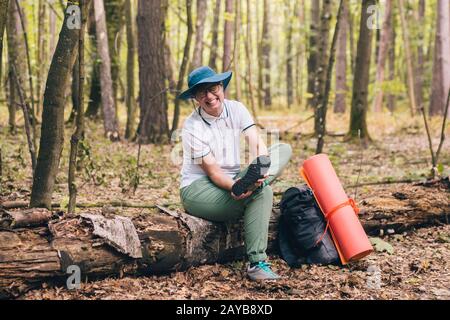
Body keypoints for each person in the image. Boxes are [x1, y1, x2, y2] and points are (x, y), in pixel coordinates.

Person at [178, 66, 292, 281]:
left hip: (235, 177)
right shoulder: (192, 127)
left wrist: (262, 163)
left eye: (213, 89)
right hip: (199, 189)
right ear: (195, 97)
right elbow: (213, 172)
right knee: (264, 193)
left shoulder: (237, 109)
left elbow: (257, 142)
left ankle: (253, 182)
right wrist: (234, 187)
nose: (210, 97)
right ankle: (257, 263)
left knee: (283, 149)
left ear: (222, 87)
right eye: (202, 93)